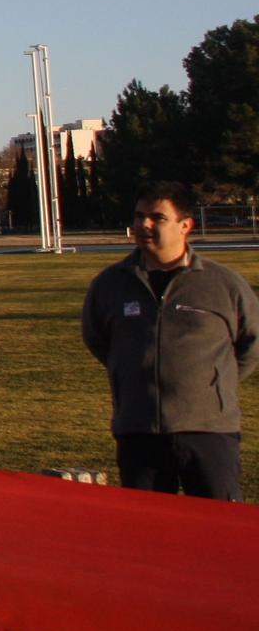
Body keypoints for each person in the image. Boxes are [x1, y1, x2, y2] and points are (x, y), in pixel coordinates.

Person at [81, 182, 258, 501]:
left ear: (185, 225)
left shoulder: (223, 284)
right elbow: (98, 340)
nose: (144, 225)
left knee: (219, 533)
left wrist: (213, 383)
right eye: (138, 216)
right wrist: (134, 373)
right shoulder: (110, 285)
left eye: (157, 217)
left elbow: (250, 344)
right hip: (138, 430)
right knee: (146, 538)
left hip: (208, 432)